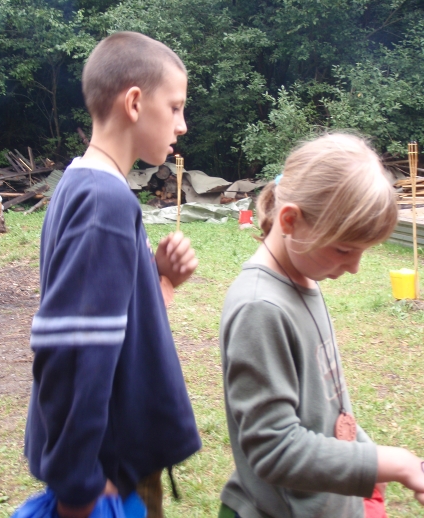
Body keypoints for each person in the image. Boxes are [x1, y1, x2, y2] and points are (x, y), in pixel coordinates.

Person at [24, 32, 201, 518]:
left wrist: (159, 279)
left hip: (109, 464)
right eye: (176, 107)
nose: (182, 124)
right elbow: (73, 347)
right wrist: (79, 484)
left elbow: (109, 322)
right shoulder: (105, 203)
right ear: (135, 103)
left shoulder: (77, 184)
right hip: (106, 476)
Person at [218, 133, 424, 518]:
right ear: (290, 220)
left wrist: (365, 455)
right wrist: (390, 463)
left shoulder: (303, 278)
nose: (355, 267)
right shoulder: (260, 308)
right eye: (344, 249)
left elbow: (324, 407)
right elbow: (275, 450)